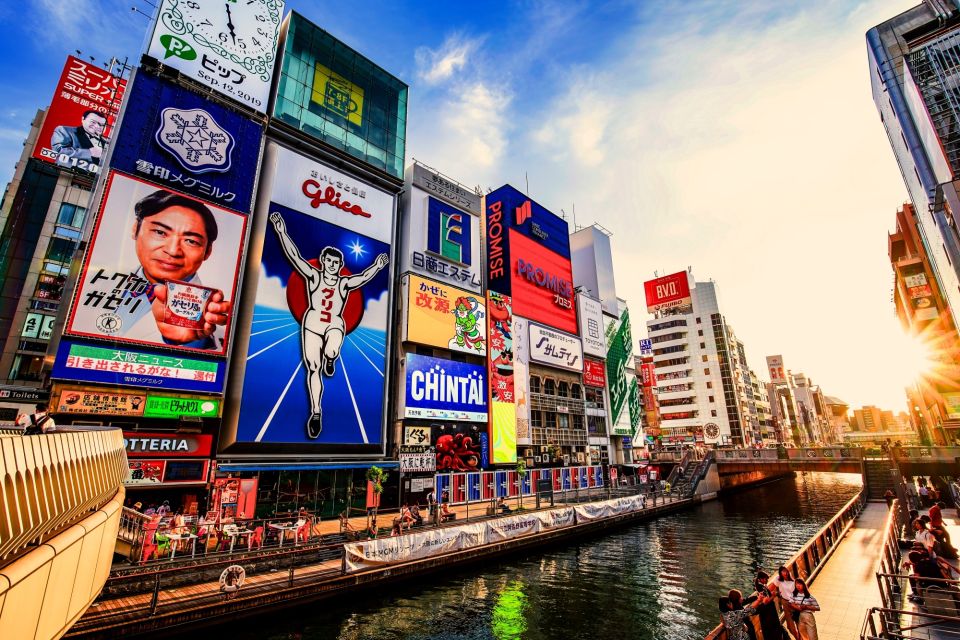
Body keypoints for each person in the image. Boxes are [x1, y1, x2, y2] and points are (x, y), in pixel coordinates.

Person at [269, 211, 389, 438]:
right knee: (313, 368)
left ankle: (331, 357)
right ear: (323, 261)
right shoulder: (314, 277)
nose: (332, 265)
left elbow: (362, 277)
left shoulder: (344, 283)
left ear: (340, 264)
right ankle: (316, 411)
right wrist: (281, 231)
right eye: (329, 261)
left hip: (334, 323)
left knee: (332, 348)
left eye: (336, 262)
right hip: (312, 323)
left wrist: (378, 266)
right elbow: (295, 257)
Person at [753, 571, 788, 640]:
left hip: (767, 613)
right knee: (774, 631)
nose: (767, 580)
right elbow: (766, 601)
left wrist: (771, 594)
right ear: (761, 579)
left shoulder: (760, 586)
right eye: (766, 579)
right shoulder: (761, 588)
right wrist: (774, 595)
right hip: (769, 614)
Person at [769, 565, 800, 640]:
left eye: (786, 571)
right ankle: (798, 638)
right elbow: (770, 588)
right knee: (790, 626)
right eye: (783, 571)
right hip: (785, 603)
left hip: (795, 603)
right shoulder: (778, 579)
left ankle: (800, 638)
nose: (785, 573)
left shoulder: (793, 581)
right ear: (780, 573)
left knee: (798, 623)